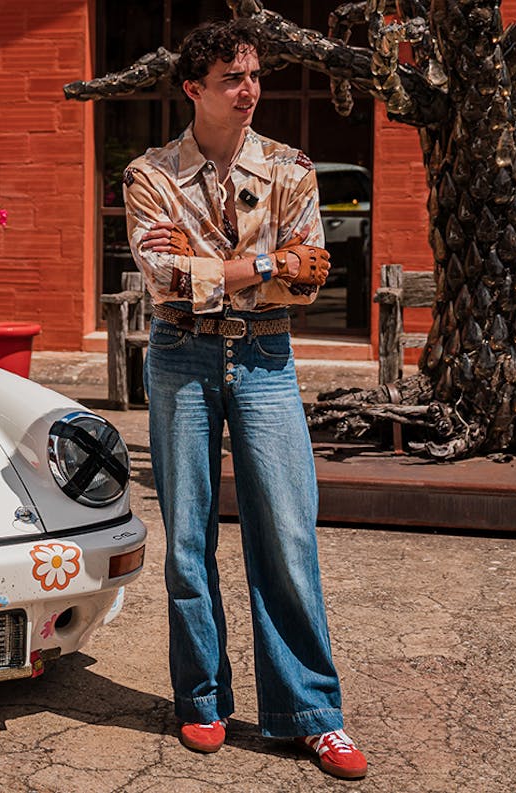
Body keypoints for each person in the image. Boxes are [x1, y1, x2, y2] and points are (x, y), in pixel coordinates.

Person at [121, 19, 366, 780]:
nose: (250, 89)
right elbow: (163, 277)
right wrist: (265, 259)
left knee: (287, 534)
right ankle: (202, 698)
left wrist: (230, 271)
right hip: (180, 357)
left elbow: (312, 275)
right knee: (189, 538)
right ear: (194, 88)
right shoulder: (150, 174)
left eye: (254, 75)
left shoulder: (292, 168)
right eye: (233, 77)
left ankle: (311, 713)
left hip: (266, 357)